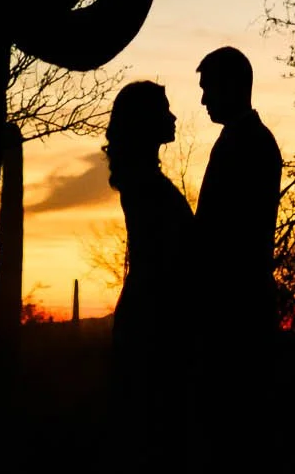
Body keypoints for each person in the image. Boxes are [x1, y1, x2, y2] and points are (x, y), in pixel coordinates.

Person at [105, 80, 193, 406]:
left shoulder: (142, 179)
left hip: (151, 318)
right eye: (164, 110)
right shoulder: (145, 184)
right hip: (153, 324)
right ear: (145, 119)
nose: (173, 117)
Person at [194, 46, 281, 345]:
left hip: (237, 309)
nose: (203, 100)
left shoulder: (249, 141)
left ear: (230, 86)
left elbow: (227, 230)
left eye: (209, 89)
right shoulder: (241, 137)